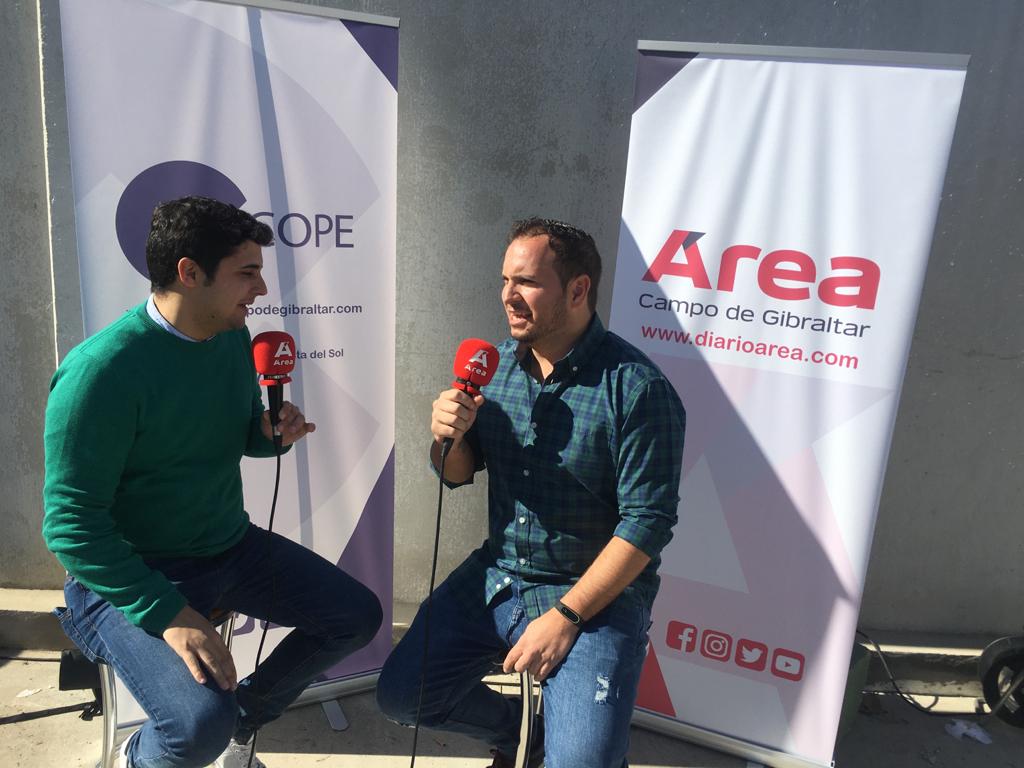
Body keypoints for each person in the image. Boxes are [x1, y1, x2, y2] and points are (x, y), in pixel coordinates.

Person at [43, 196, 382, 768]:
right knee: (196, 728)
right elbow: (71, 528)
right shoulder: (99, 374)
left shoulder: (229, 337)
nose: (261, 289)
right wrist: (171, 615)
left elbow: (239, 433)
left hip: (228, 548)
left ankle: (241, 721)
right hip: (125, 577)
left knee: (356, 617)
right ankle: (137, 758)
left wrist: (268, 434)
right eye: (247, 273)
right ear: (190, 272)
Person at [376, 218, 686, 767]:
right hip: (500, 574)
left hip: (593, 596)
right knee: (402, 695)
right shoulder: (494, 370)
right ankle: (527, 734)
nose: (508, 296)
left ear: (578, 289)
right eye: (505, 280)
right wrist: (449, 436)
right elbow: (455, 475)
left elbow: (648, 524)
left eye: (526, 282)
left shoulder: (638, 390)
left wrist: (566, 617)